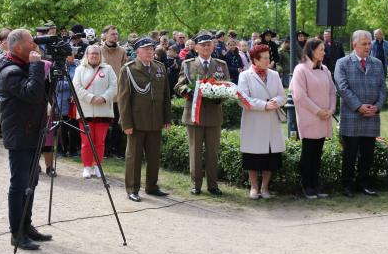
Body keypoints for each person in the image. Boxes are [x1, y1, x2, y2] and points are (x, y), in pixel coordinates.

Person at [0, 29, 52, 250]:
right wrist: (37, 66)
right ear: (18, 47)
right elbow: (32, 94)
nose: (35, 44)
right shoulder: (10, 71)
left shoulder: (22, 65)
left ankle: (26, 226)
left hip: (32, 131)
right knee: (19, 185)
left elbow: (42, 93)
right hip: (20, 135)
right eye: (31, 41)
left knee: (31, 181)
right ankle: (16, 233)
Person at [117, 37, 171, 202]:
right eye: (146, 49)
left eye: (152, 48)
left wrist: (167, 118)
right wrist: (126, 123)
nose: (150, 51)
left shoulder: (159, 67)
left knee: (154, 156)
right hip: (137, 121)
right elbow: (123, 99)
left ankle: (152, 186)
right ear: (137, 51)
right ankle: (132, 189)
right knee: (133, 157)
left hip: (155, 120)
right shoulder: (128, 69)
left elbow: (166, 95)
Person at [175, 33, 229, 195]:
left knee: (213, 152)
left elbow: (228, 86)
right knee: (195, 151)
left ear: (213, 47)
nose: (206, 47)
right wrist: (191, 92)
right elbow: (179, 86)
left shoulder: (221, 65)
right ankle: (195, 184)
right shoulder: (188, 64)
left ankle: (213, 185)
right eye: (203, 45)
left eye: (209, 45)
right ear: (196, 47)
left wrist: (218, 95)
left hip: (213, 113)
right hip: (194, 114)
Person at [334, 30, 386, 197]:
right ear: (354, 44)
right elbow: (342, 88)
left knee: (367, 154)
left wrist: (376, 107)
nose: (368, 47)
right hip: (352, 116)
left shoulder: (377, 63)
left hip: (371, 116)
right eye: (364, 44)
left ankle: (364, 183)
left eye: (369, 43)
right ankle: (347, 185)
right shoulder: (342, 63)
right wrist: (358, 106)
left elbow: (383, 89)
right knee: (350, 154)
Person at [238, 44, 286, 199]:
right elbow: (242, 99)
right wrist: (263, 105)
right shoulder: (245, 76)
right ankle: (254, 187)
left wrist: (275, 102)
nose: (268, 60)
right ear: (255, 60)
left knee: (270, 158)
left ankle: (265, 187)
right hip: (254, 121)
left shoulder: (274, 74)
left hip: (271, 121)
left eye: (268, 57)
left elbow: (282, 95)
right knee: (252, 157)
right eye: (264, 58)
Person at [290, 38, 336, 199]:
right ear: (312, 50)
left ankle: (315, 185)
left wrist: (331, 109)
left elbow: (332, 91)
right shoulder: (300, 70)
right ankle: (306, 185)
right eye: (321, 49)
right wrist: (318, 111)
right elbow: (300, 96)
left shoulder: (325, 69)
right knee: (308, 153)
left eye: (324, 49)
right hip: (309, 118)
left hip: (324, 117)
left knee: (317, 153)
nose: (324, 52)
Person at [73, 45, 118, 178]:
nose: (94, 56)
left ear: (100, 55)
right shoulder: (80, 69)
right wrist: (91, 98)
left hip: (103, 111)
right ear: (87, 55)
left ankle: (98, 166)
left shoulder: (108, 69)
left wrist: (104, 98)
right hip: (85, 111)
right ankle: (86, 166)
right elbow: (77, 87)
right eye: (91, 53)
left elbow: (114, 86)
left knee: (100, 142)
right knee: (86, 142)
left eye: (97, 54)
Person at [100, 25, 128, 158]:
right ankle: (104, 150)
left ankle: (116, 150)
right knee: (104, 123)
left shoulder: (122, 51)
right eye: (112, 34)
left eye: (116, 34)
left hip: (118, 94)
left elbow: (125, 68)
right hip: (103, 94)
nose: (115, 36)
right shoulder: (98, 51)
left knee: (117, 124)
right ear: (105, 35)